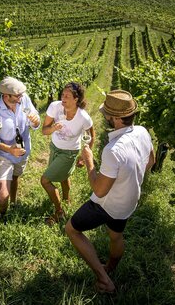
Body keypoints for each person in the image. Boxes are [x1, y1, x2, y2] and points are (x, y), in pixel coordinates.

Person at [65, 90, 155, 293]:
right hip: (130, 200)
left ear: (114, 118)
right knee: (116, 236)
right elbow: (151, 162)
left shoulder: (113, 150)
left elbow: (99, 190)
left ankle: (104, 279)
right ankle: (111, 268)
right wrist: (129, 179)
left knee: (71, 229)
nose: (104, 115)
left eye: (106, 113)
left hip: (107, 204)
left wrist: (89, 162)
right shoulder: (142, 131)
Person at [0, 77, 40, 216]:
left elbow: (34, 120)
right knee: (2, 197)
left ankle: (13, 203)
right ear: (6, 96)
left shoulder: (23, 99)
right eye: (17, 95)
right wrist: (9, 149)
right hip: (5, 155)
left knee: (15, 177)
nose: (21, 97)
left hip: (24, 151)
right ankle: (2, 214)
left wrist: (36, 122)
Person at [41, 82, 94, 224]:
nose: (63, 98)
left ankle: (59, 212)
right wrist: (53, 128)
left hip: (70, 152)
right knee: (64, 177)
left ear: (76, 99)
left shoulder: (83, 117)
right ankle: (66, 200)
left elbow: (90, 135)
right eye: (62, 95)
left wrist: (84, 156)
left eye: (67, 96)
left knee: (45, 180)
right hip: (55, 147)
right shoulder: (55, 107)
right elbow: (44, 130)